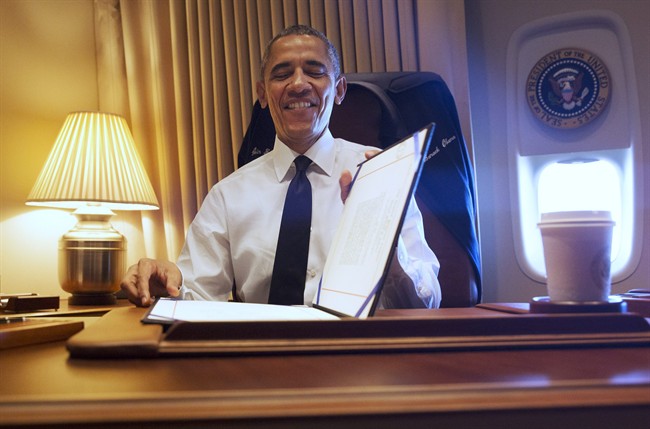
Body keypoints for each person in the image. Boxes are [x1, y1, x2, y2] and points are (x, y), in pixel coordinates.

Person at [120, 24, 441, 309]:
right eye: (282, 73)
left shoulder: (379, 175)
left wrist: (384, 233)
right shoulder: (227, 196)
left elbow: (426, 303)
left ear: (340, 90)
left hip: (361, 359)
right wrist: (167, 286)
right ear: (262, 93)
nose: (298, 84)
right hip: (257, 361)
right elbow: (196, 299)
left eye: (314, 71)